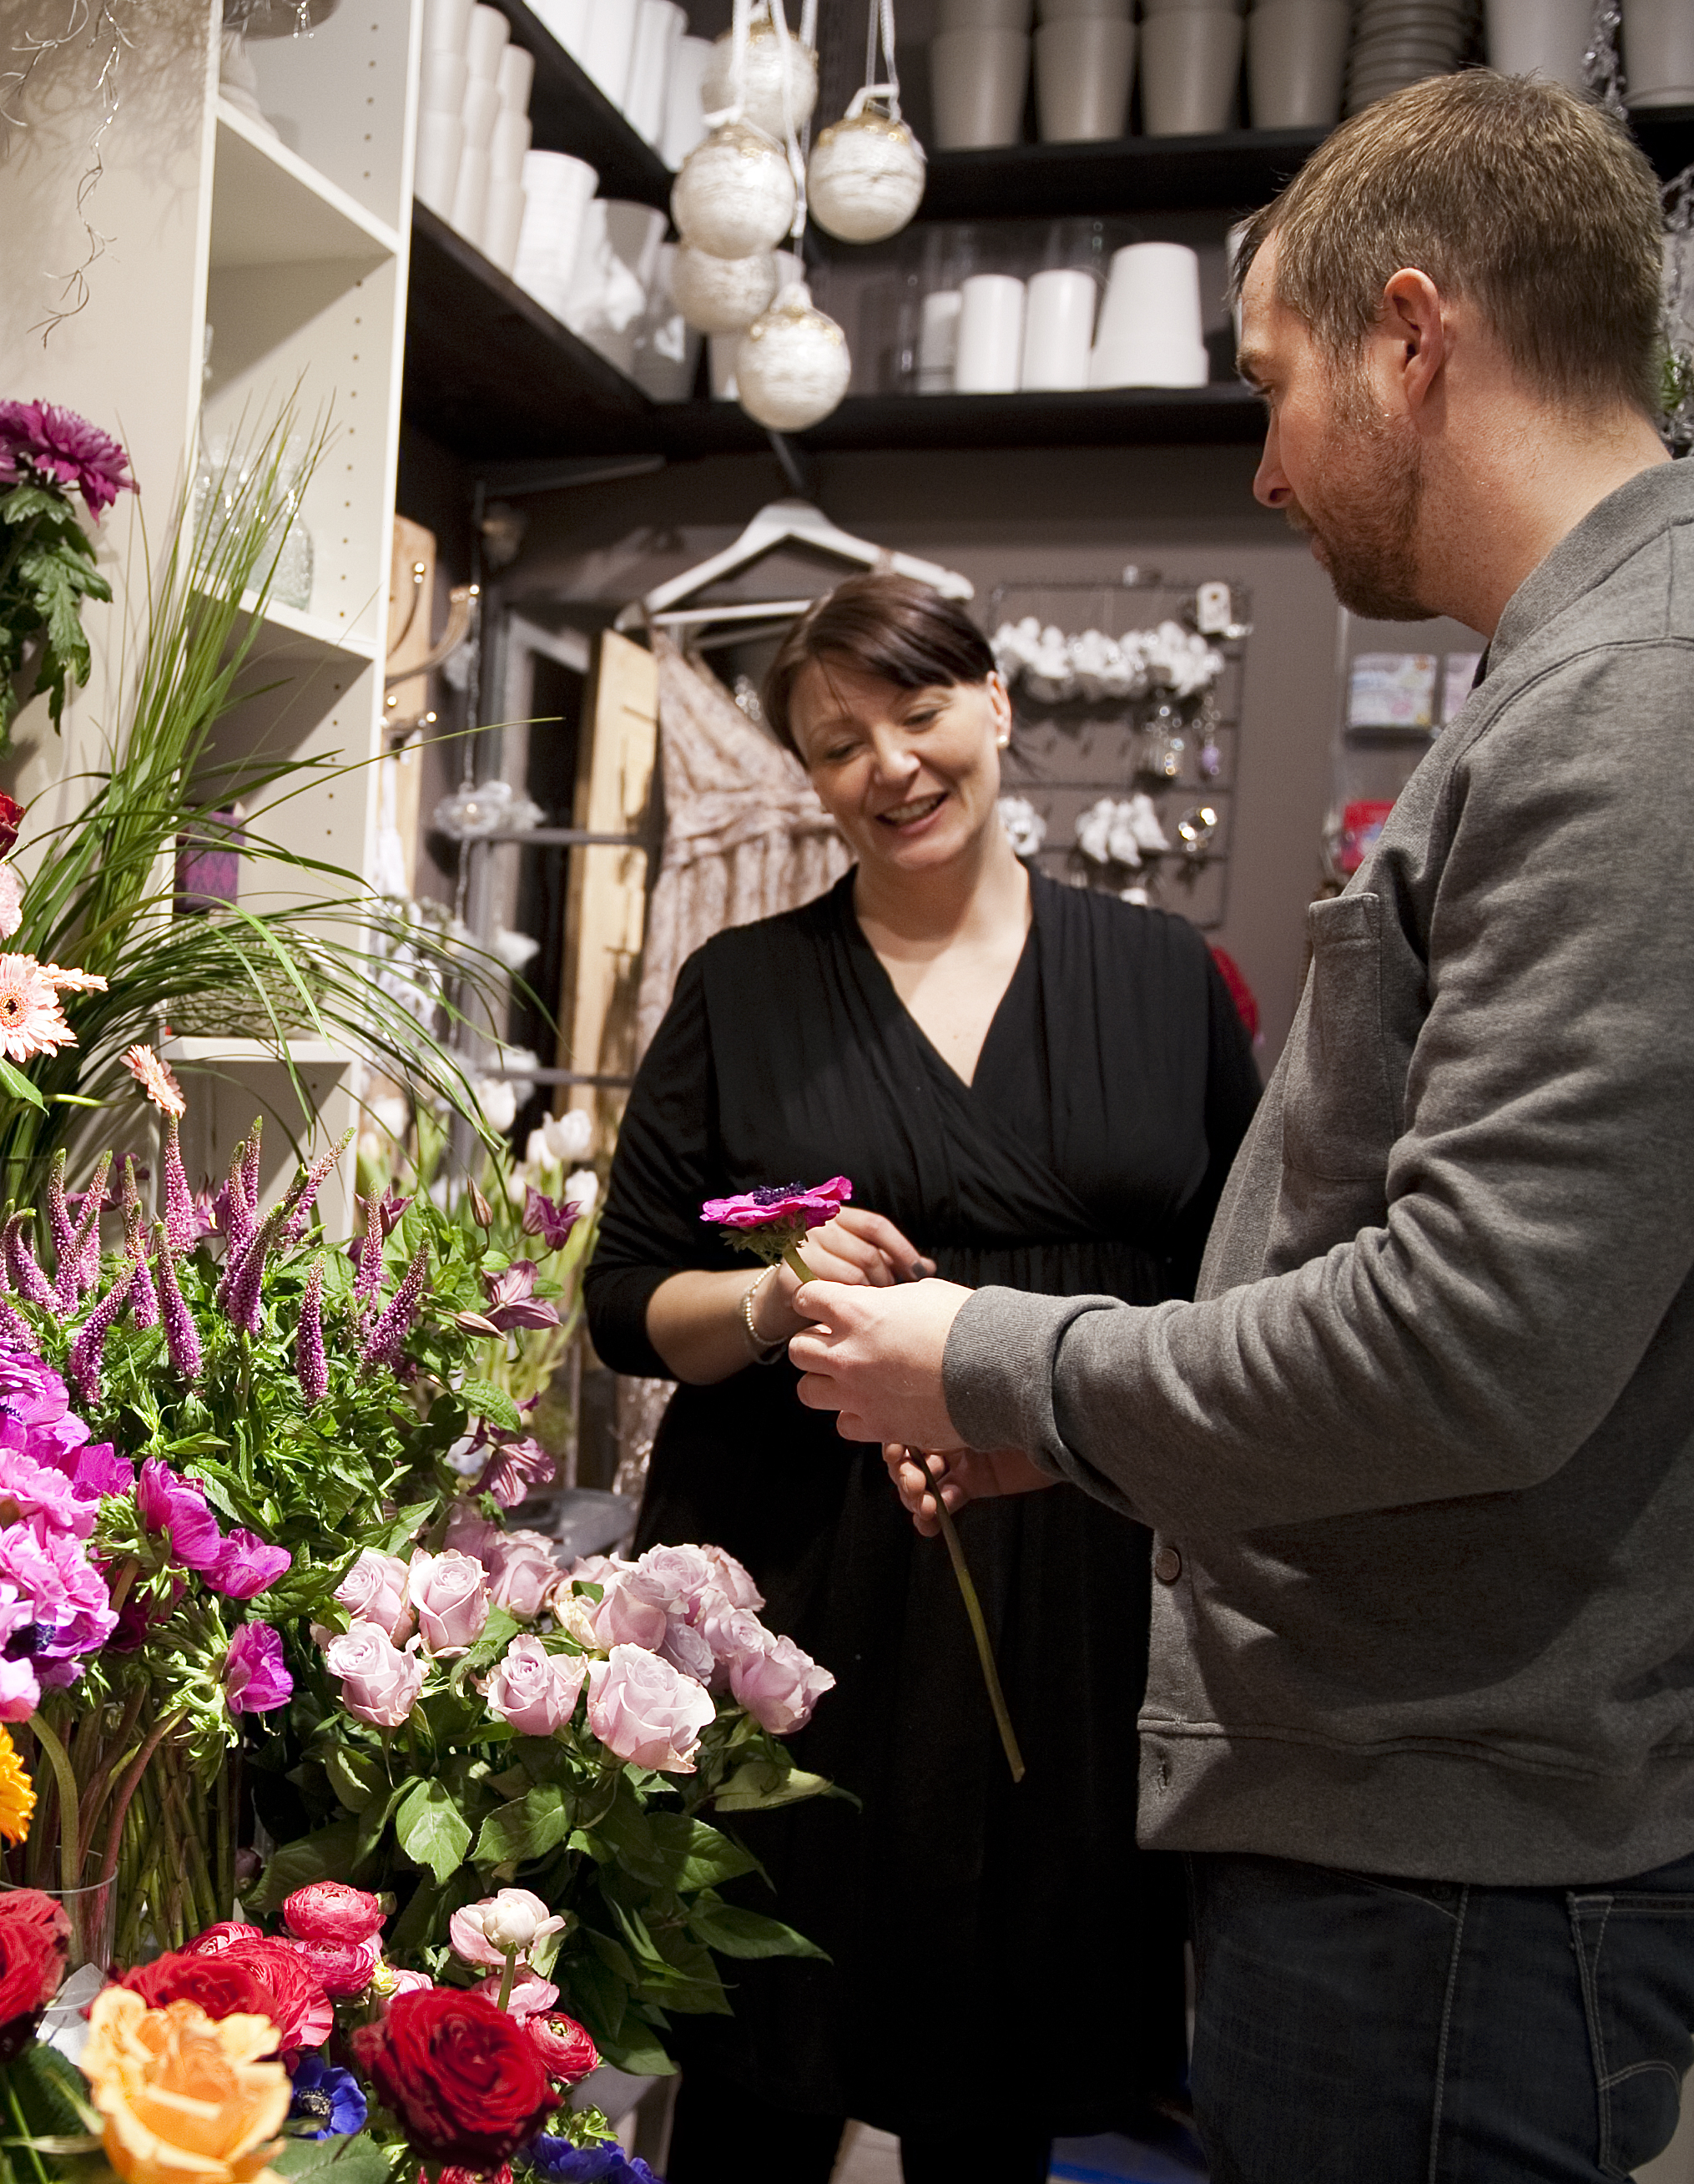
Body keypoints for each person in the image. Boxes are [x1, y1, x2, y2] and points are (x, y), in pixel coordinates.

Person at [786, 71, 1694, 2184]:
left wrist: (992, 1355)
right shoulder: (1617, 667)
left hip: (1458, 1864)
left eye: (1275, 383)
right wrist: (1076, 1428)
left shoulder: (1678, 687)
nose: (1260, 465)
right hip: (1429, 1827)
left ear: (1414, 337)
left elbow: (1468, 1342)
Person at [582, 574, 1258, 2183]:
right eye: (835, 742)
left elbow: (1241, 1284)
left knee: (994, 2085)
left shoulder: (1167, 981)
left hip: (1062, 1574)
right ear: (804, 777)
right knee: (756, 2064)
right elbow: (621, 1304)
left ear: (998, 703)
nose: (887, 762)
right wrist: (765, 1292)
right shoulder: (742, 989)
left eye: (918, 711)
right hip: (791, 1580)